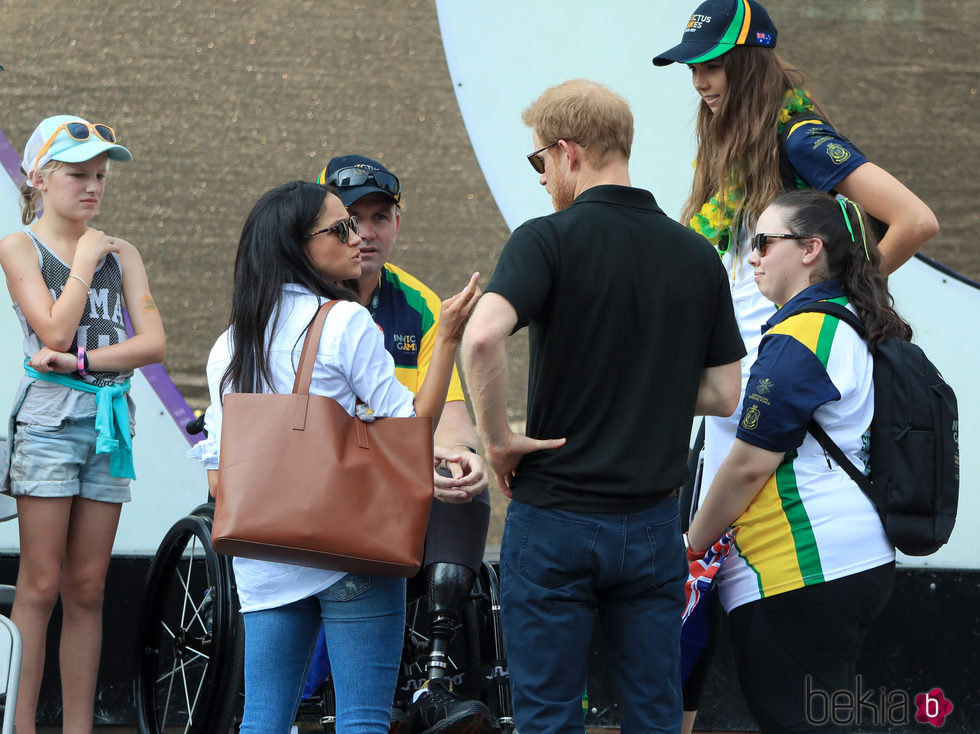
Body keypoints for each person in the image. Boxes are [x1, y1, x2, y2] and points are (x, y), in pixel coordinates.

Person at [652, 2, 938, 729]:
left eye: (711, 64)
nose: (699, 81)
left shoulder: (800, 138)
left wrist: (833, 303)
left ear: (750, 62)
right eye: (691, 65)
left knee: (784, 686)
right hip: (727, 416)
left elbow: (914, 220)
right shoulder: (731, 156)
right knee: (688, 644)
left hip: (779, 424)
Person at [461, 79, 746, 734]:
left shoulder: (546, 240)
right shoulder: (696, 254)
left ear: (568, 152)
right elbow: (725, 390)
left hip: (555, 518)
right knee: (653, 713)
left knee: (548, 714)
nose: (539, 178)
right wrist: (646, 383)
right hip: (650, 527)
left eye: (538, 161)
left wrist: (497, 439)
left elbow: (481, 337)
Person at [190, 180, 480, 734]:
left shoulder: (230, 343)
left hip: (265, 552)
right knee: (363, 720)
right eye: (340, 228)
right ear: (300, 246)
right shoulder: (347, 322)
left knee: (263, 720)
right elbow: (410, 429)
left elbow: (220, 469)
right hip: (349, 547)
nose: (358, 239)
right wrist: (444, 339)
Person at [687, 189, 903, 733]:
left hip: (801, 565)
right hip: (844, 559)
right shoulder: (845, 318)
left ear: (810, 249)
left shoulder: (802, 334)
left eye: (762, 242)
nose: (751, 255)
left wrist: (688, 546)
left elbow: (748, 466)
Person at [0, 115, 166, 734]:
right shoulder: (21, 245)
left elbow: (151, 343)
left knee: (89, 586)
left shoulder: (123, 253)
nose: (92, 187)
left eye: (100, 176)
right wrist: (84, 260)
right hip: (48, 417)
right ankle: (19, 725)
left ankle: (79, 729)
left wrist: (86, 361)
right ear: (39, 178)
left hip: (108, 418)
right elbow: (52, 329)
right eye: (77, 175)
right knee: (39, 582)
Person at [316, 155, 494, 734]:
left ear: (397, 224)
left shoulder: (418, 305)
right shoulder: (295, 298)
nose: (366, 233)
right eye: (352, 218)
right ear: (323, 224)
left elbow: (454, 420)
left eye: (380, 217)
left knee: (465, 486)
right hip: (316, 486)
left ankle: (436, 683)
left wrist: (463, 458)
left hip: (394, 484)